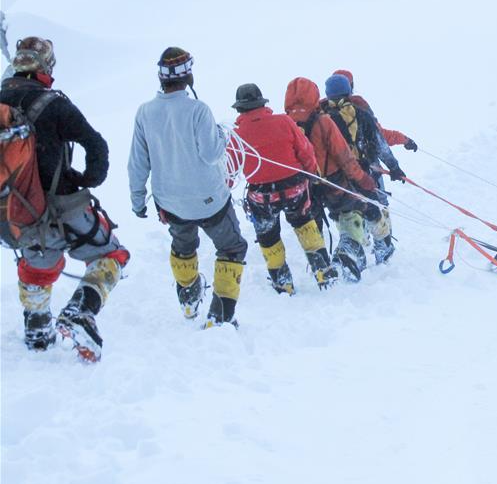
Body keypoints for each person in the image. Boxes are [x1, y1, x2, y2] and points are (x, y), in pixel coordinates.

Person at [0, 36, 129, 361]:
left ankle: (38, 331)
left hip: (16, 213)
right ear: (46, 66)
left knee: (37, 266)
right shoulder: (53, 103)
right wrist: (85, 180)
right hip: (63, 208)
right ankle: (80, 312)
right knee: (111, 255)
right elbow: (96, 146)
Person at [128, 47, 247, 328]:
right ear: (188, 76)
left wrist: (137, 201)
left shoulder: (145, 112)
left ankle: (188, 297)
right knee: (231, 248)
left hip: (170, 203)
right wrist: (221, 135)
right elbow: (211, 154)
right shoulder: (198, 110)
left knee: (183, 246)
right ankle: (220, 316)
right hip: (210, 200)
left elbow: (138, 162)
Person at [227, 83, 337, 293]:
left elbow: (230, 170)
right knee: (304, 224)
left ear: (239, 108)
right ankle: (323, 271)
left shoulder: (236, 135)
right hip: (294, 187)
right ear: (262, 104)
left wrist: (225, 189)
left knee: (268, 237)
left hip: (261, 195)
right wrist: (311, 173)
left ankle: (283, 282)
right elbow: (305, 150)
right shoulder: (284, 121)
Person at [284, 77, 382, 281]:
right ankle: (347, 254)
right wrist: (363, 180)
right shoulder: (323, 121)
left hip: (304, 186)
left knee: (313, 225)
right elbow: (344, 156)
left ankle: (322, 268)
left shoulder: (285, 124)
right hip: (333, 182)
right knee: (351, 214)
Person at [321, 73, 405, 267]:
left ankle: (355, 252)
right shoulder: (361, 114)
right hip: (364, 172)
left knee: (347, 213)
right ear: (349, 91)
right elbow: (380, 144)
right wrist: (394, 167)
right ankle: (383, 249)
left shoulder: (321, 119)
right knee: (376, 207)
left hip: (336, 177)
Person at [329, 69, 417, 151]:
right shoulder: (359, 105)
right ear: (350, 86)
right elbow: (379, 135)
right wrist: (405, 140)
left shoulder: (323, 107)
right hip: (357, 159)